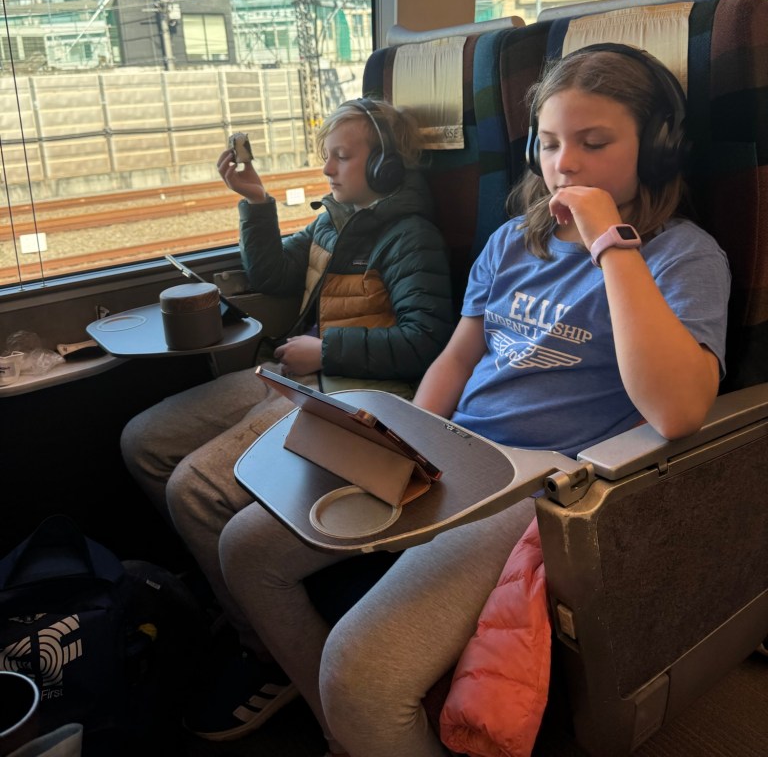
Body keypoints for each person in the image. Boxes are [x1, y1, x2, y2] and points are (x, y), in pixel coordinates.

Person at [217, 43, 731, 757]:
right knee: (244, 548)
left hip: (536, 484)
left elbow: (677, 410)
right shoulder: (513, 242)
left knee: (360, 673)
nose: (565, 165)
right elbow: (460, 356)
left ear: (658, 149)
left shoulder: (683, 256)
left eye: (594, 143)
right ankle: (348, 735)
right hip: (455, 451)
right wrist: (408, 439)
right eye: (549, 143)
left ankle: (358, 719)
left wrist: (612, 245)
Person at [119, 97, 455, 742]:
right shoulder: (334, 222)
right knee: (145, 442)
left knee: (195, 488)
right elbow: (270, 272)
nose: (327, 168)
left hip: (345, 388)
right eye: (327, 155)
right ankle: (234, 599)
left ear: (384, 166)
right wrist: (255, 200)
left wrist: (326, 350)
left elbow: (426, 340)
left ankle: (265, 649)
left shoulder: (410, 237)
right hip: (292, 372)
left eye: (342, 157)